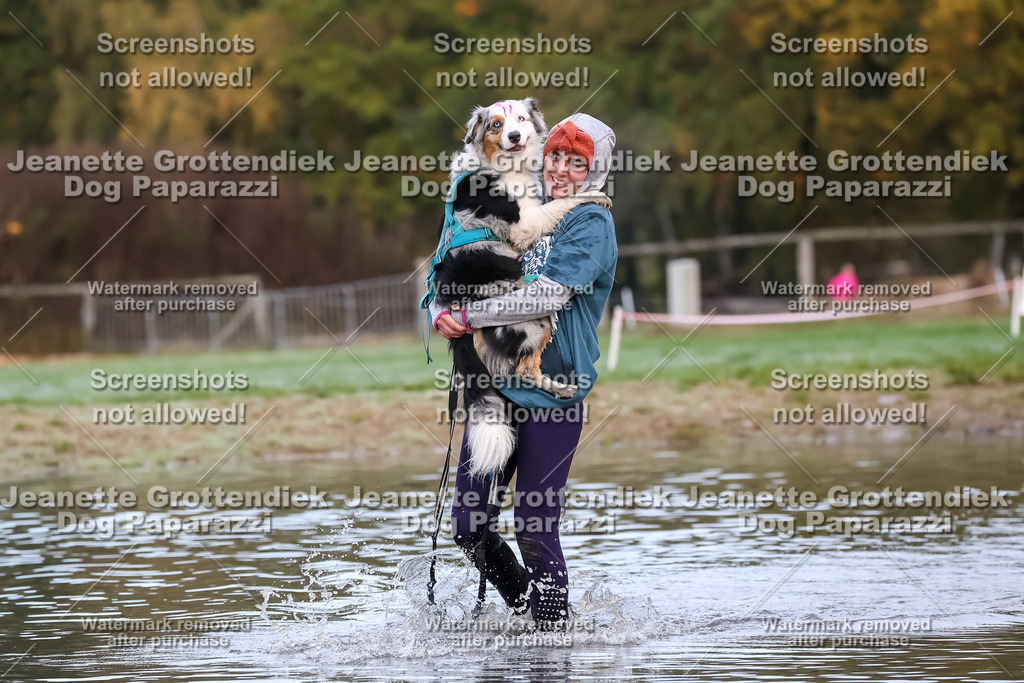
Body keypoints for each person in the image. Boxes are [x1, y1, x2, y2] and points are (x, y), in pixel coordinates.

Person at [430, 113, 617, 628]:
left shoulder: (591, 222)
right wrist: (438, 307)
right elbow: (449, 248)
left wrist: (468, 316)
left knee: (534, 529)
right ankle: (527, 619)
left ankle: (553, 638)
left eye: (576, 163)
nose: (560, 170)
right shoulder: (521, 195)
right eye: (555, 156)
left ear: (594, 169)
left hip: (554, 399)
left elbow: (547, 294)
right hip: (494, 386)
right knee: (469, 529)